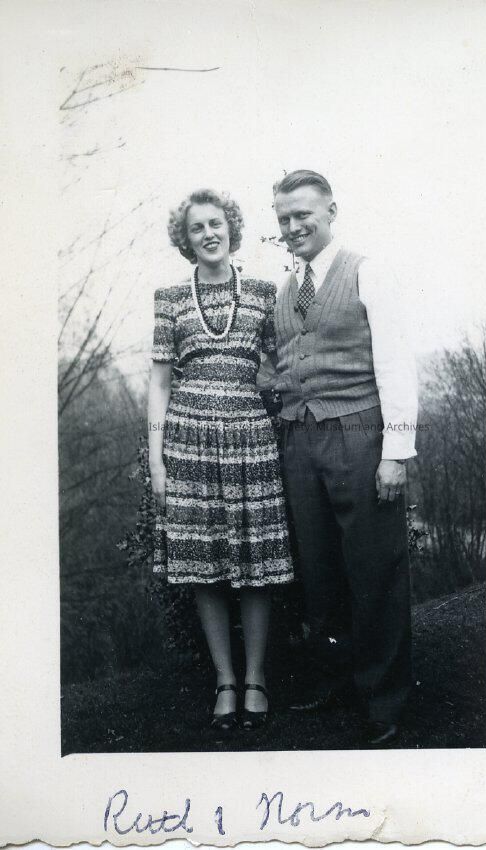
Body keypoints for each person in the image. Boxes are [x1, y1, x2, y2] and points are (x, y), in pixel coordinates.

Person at [272, 170, 418, 747]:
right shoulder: (286, 287)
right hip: (299, 438)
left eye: (303, 214)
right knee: (319, 569)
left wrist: (395, 453)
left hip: (358, 433)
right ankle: (336, 680)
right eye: (284, 218)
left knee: (374, 568)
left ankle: (384, 699)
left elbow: (396, 364)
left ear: (330, 211)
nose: (293, 226)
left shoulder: (366, 271)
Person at [148, 188, 293, 733]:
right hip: (188, 443)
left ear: (231, 227)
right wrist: (158, 462)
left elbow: (283, 365)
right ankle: (225, 680)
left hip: (251, 440)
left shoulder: (261, 294)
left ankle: (255, 678)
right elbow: (159, 383)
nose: (208, 234)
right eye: (197, 228)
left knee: (255, 564)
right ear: (185, 241)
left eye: (216, 223)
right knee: (203, 565)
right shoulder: (169, 299)